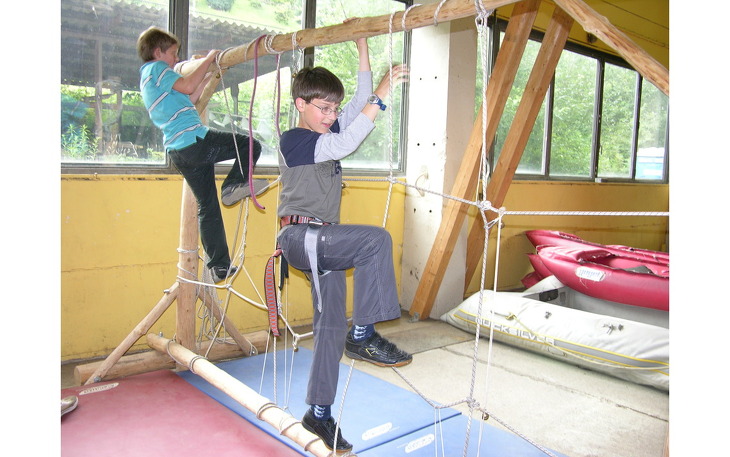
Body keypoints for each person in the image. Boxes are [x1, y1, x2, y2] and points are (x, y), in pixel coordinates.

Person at [276, 35, 412, 452]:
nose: (332, 116)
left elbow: (355, 108)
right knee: (375, 241)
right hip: (300, 237)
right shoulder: (296, 140)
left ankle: (318, 413)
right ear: (300, 104)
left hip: (324, 244)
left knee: (330, 328)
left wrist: (363, 51)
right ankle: (364, 333)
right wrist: (382, 96)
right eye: (323, 108)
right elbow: (347, 140)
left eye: (333, 109)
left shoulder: (325, 128)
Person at [136, 26, 267, 283]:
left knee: (207, 205)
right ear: (158, 52)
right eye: (173, 53)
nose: (176, 59)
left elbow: (193, 95)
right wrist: (209, 58)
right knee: (250, 144)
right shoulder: (156, 69)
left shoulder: (151, 81)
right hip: (193, 140)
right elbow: (188, 85)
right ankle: (232, 186)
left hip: (179, 151)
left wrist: (210, 73)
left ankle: (219, 266)